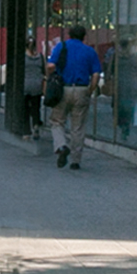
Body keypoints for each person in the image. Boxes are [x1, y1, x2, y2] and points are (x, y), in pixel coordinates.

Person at [46, 25, 105, 170]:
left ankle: (61, 146)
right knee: (78, 126)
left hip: (63, 89)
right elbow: (96, 74)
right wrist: (90, 90)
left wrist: (51, 78)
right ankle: (75, 160)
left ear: (69, 34)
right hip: (81, 89)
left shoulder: (62, 46)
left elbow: (50, 66)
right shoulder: (90, 51)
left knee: (57, 121)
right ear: (84, 36)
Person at [21, 42, 46, 139]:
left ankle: (26, 132)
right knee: (36, 108)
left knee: (25, 109)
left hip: (25, 85)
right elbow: (44, 71)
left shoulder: (23, 57)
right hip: (37, 85)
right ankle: (35, 125)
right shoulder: (40, 57)